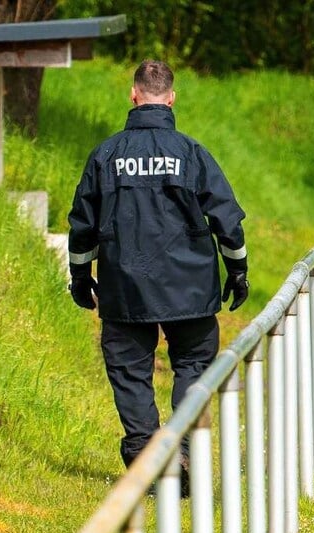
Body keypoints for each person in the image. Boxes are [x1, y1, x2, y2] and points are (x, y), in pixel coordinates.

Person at [68, 60, 249, 496]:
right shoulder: (192, 154)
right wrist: (238, 270)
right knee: (193, 362)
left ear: (133, 96)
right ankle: (182, 448)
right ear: (171, 98)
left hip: (125, 287)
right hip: (190, 287)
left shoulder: (105, 156)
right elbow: (227, 220)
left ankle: (144, 448)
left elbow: (82, 227)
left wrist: (80, 276)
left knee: (129, 369)